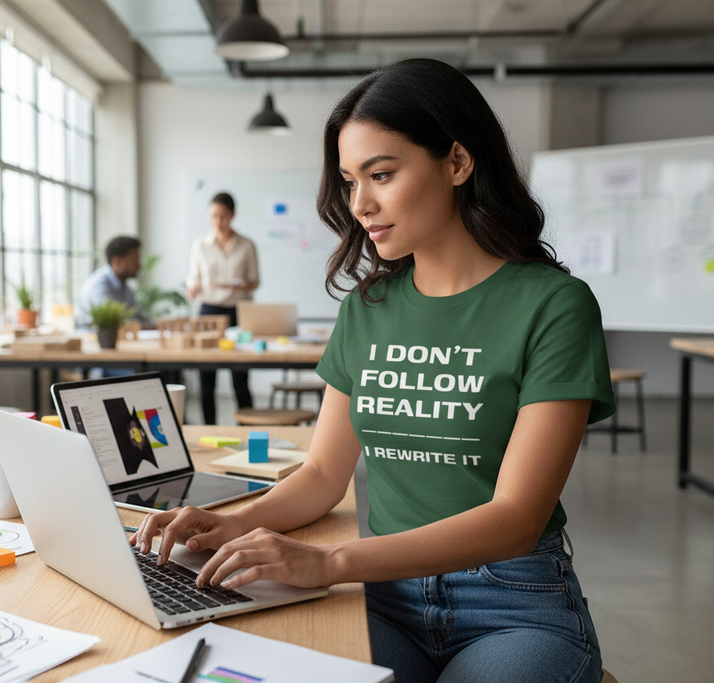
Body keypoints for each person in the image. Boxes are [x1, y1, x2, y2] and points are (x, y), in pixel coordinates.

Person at [135, 58, 616, 683]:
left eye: (381, 175)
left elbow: (517, 517)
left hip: (511, 602)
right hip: (381, 593)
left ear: (458, 163)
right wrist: (228, 522)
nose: (360, 203)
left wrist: (330, 563)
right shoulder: (369, 307)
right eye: (349, 180)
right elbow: (321, 474)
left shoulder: (554, 305)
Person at [185, 192, 260, 424]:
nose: (218, 221)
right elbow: (192, 278)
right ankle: (209, 429)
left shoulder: (246, 245)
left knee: (240, 377)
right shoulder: (200, 245)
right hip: (208, 311)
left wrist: (245, 284)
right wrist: (192, 287)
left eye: (223, 216)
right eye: (214, 216)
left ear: (233, 215)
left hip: (238, 311)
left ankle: (247, 429)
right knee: (207, 378)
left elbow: (255, 281)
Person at [75, 235, 151, 329]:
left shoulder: (125, 288)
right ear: (117, 261)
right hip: (96, 342)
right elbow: (111, 324)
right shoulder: (98, 285)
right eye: (135, 259)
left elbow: (139, 318)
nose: (140, 265)